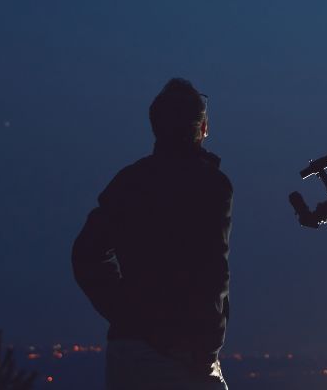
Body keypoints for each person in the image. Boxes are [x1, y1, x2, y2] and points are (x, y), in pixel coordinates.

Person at [72, 78, 232, 389]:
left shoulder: (129, 183)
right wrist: (205, 349)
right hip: (184, 355)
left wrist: (127, 313)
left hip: (131, 354)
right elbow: (213, 273)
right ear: (203, 128)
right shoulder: (211, 185)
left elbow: (87, 254)